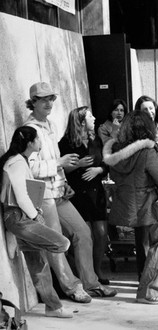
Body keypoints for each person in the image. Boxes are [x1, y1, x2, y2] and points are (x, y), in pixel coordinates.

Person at [24, 82, 116, 302]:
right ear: (33, 102)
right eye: (43, 99)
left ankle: (91, 284)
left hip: (58, 191)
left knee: (83, 233)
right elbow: (31, 168)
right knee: (56, 242)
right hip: (42, 194)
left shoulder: (50, 125)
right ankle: (72, 288)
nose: (49, 103)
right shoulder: (29, 130)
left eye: (51, 99)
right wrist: (60, 163)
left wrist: (64, 180)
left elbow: (56, 163)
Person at [0, 126, 73, 318]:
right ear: (30, 142)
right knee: (63, 243)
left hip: (21, 218)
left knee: (39, 265)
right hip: (19, 218)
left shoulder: (21, 161)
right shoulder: (15, 162)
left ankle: (53, 307)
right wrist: (35, 216)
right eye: (38, 139)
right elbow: (21, 196)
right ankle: (22, 240)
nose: (40, 142)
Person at [103, 110, 158, 304]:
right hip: (151, 204)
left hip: (127, 203)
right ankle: (149, 291)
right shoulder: (147, 152)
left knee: (147, 245)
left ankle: (150, 288)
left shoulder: (114, 152)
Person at [59, 106, 109, 285]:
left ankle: (97, 268)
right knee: (84, 235)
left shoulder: (96, 141)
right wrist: (78, 164)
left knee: (101, 233)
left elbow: (106, 164)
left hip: (97, 193)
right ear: (80, 121)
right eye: (90, 116)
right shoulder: (66, 143)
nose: (94, 118)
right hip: (78, 194)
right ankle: (86, 273)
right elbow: (61, 169)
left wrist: (99, 170)